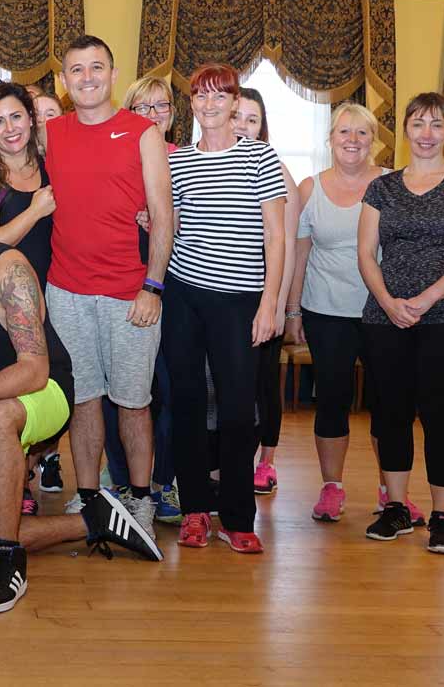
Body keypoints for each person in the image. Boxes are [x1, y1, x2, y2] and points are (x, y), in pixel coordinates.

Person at [0, 165, 163, 615]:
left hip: (46, 391)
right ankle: (94, 520)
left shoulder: (10, 269)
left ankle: (8, 562)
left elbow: (34, 371)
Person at [36, 36, 173, 551]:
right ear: (65, 81)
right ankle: (91, 494)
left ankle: (139, 495)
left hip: (129, 293)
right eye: (76, 69)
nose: (87, 77)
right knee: (84, 400)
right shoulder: (53, 133)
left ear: (113, 74)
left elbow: (163, 215)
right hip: (67, 292)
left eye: (96, 67)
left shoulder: (143, 132)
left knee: (133, 403)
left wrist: (152, 286)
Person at [358, 92, 444, 554]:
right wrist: (389, 301)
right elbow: (365, 254)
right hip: (385, 317)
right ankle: (396, 509)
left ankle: (441, 517)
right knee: (390, 414)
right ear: (406, 131)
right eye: (418, 124)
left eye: (436, 125)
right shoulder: (382, 188)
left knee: (438, 416)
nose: (427, 134)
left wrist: (427, 298)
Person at [164, 63, 287, 554]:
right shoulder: (176, 161)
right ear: (191, 104)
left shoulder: (261, 158)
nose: (210, 104)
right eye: (201, 96)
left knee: (239, 412)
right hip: (184, 298)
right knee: (188, 404)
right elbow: (168, 226)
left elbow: (276, 237)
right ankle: (195, 509)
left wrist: (271, 304)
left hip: (240, 301)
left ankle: (237, 516)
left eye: (221, 96)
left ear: (236, 103)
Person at [284, 102, 392, 522]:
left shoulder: (390, 184)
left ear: (373, 140)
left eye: (361, 132)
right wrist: (292, 311)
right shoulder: (310, 189)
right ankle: (332, 488)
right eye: (344, 132)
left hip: (382, 310)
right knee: (332, 399)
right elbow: (299, 252)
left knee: (389, 403)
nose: (352, 140)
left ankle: (391, 491)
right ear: (330, 139)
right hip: (325, 310)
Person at [0, 82, 62, 504]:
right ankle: (14, 480)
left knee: (49, 388)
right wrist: (35, 211)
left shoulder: (50, 161)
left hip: (57, 291)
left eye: (16, 117)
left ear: (30, 117)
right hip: (6, 302)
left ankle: (40, 467)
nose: (9, 129)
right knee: (12, 387)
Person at [101, 75, 182, 524]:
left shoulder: (186, 158)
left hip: (173, 287)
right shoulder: (116, 154)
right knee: (120, 389)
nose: (153, 115)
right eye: (143, 107)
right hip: (120, 283)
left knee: (165, 390)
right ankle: (120, 479)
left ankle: (163, 482)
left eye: (162, 106)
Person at [232, 87, 301, 494]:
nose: (242, 126)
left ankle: (266, 462)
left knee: (262, 385)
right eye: (237, 116)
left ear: (263, 128)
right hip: (223, 296)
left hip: (262, 298)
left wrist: (275, 306)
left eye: (251, 119)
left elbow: (286, 247)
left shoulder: (276, 172)